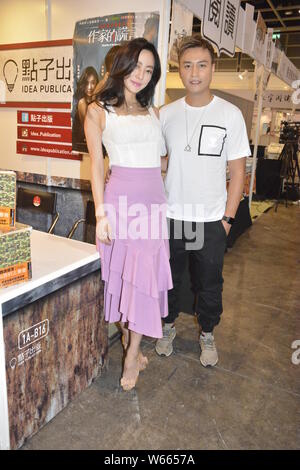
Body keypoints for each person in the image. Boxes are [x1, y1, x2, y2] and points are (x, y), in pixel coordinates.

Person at [156, 35, 251, 366]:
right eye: (187, 65)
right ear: (179, 70)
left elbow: (238, 173)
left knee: (209, 284)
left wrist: (227, 220)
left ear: (212, 68)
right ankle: (167, 327)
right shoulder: (165, 114)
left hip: (210, 220)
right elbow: (164, 162)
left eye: (201, 65)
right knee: (168, 279)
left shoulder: (230, 114)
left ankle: (207, 334)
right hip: (172, 217)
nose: (194, 73)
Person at [84, 38, 173, 391]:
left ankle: (133, 352)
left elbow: (159, 160)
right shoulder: (98, 110)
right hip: (120, 203)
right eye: (137, 66)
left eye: (149, 70)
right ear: (122, 64)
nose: (141, 75)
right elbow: (95, 166)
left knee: (144, 282)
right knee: (122, 280)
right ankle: (128, 336)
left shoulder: (154, 112)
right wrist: (101, 214)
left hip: (152, 204)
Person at [72, 66, 99, 152]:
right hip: (80, 146)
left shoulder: (96, 101)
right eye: (87, 83)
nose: (89, 87)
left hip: (91, 144)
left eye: (93, 83)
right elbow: (89, 129)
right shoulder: (82, 103)